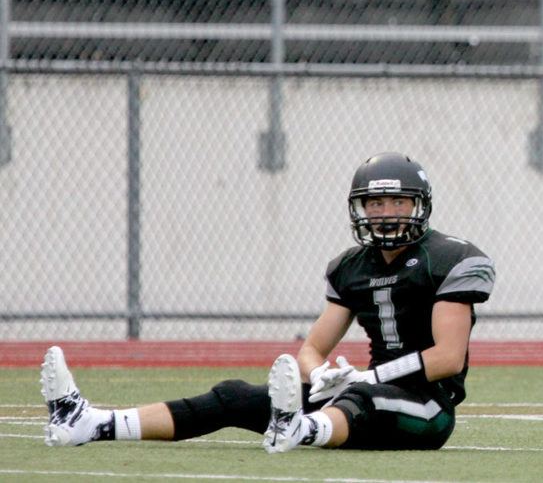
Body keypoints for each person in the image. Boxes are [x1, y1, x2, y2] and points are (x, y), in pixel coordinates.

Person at [40, 152, 496, 452]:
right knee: (234, 396)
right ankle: (93, 422)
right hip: (359, 391)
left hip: (427, 408)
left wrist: (365, 376)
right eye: (374, 204)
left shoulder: (450, 258)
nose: (384, 213)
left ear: (419, 205)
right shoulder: (351, 267)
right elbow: (311, 349)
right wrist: (319, 375)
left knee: (359, 395)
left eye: (396, 201)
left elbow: (447, 357)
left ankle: (301, 429)